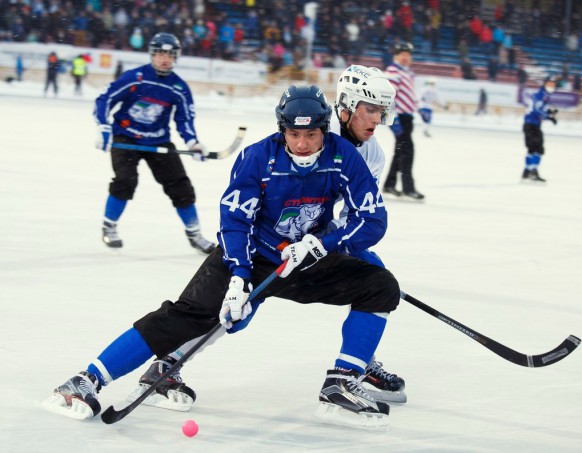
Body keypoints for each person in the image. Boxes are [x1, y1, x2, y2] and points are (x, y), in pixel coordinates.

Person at [44, 84, 401, 429]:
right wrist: (238, 277)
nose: (303, 144)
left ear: (325, 129)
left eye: (311, 135)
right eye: (294, 134)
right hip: (256, 253)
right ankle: (87, 379)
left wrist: (321, 244)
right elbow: (235, 221)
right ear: (282, 130)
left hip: (304, 258)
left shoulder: (344, 156)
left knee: (379, 285)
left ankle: (341, 382)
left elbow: (372, 220)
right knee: (195, 316)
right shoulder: (258, 158)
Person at [125, 65, 407, 414]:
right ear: (347, 105)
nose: (378, 119)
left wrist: (319, 242)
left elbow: (354, 218)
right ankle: (167, 363)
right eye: (372, 109)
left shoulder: (372, 154)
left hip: (307, 236)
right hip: (266, 238)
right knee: (242, 307)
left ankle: (358, 364)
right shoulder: (314, 128)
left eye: (383, 111)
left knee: (376, 279)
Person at [94, 32, 216, 254]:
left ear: (176, 57)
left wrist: (192, 143)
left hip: (158, 140)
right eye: (160, 53)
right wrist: (104, 127)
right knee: (125, 180)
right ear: (152, 54)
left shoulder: (178, 87)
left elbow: (185, 119)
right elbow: (105, 99)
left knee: (180, 186)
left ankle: (194, 233)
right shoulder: (135, 77)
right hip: (125, 138)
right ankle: (109, 226)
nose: (165, 59)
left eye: (170, 54)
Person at [383, 41, 425, 201]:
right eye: (402, 55)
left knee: (400, 151)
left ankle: (389, 185)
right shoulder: (393, 72)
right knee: (408, 151)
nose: (405, 58)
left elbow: (410, 95)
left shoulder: (407, 73)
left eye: (408, 55)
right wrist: (392, 120)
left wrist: (420, 108)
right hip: (399, 118)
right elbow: (388, 97)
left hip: (407, 117)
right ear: (396, 56)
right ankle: (408, 188)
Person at [521, 76, 558, 183]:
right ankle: (533, 172)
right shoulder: (541, 95)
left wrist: (549, 112)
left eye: (553, 85)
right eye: (549, 84)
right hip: (532, 125)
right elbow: (537, 110)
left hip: (531, 125)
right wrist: (548, 116)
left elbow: (540, 109)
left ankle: (527, 172)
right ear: (545, 84)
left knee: (532, 149)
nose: (551, 87)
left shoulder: (543, 95)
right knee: (538, 149)